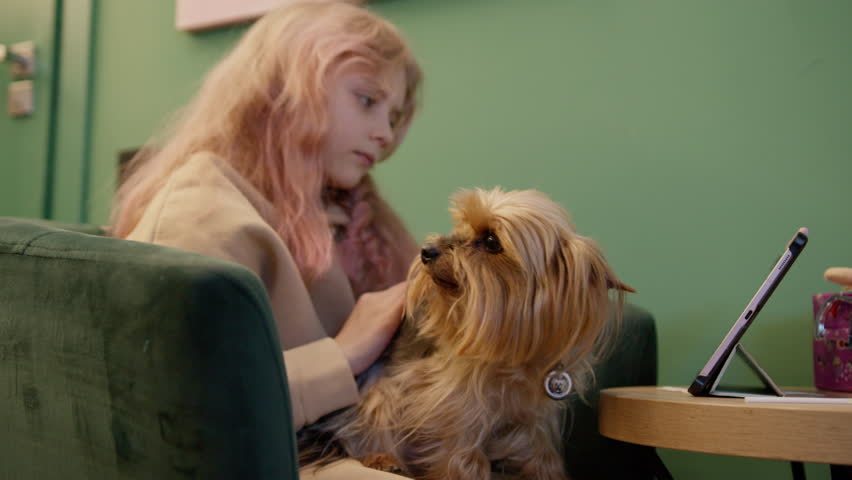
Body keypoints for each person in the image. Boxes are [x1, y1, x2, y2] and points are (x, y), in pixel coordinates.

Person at [110, 2, 421, 478]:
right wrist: (343, 354)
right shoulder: (201, 214)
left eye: (393, 117)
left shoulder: (349, 216)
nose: (384, 134)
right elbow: (176, 417)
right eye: (366, 100)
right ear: (287, 89)